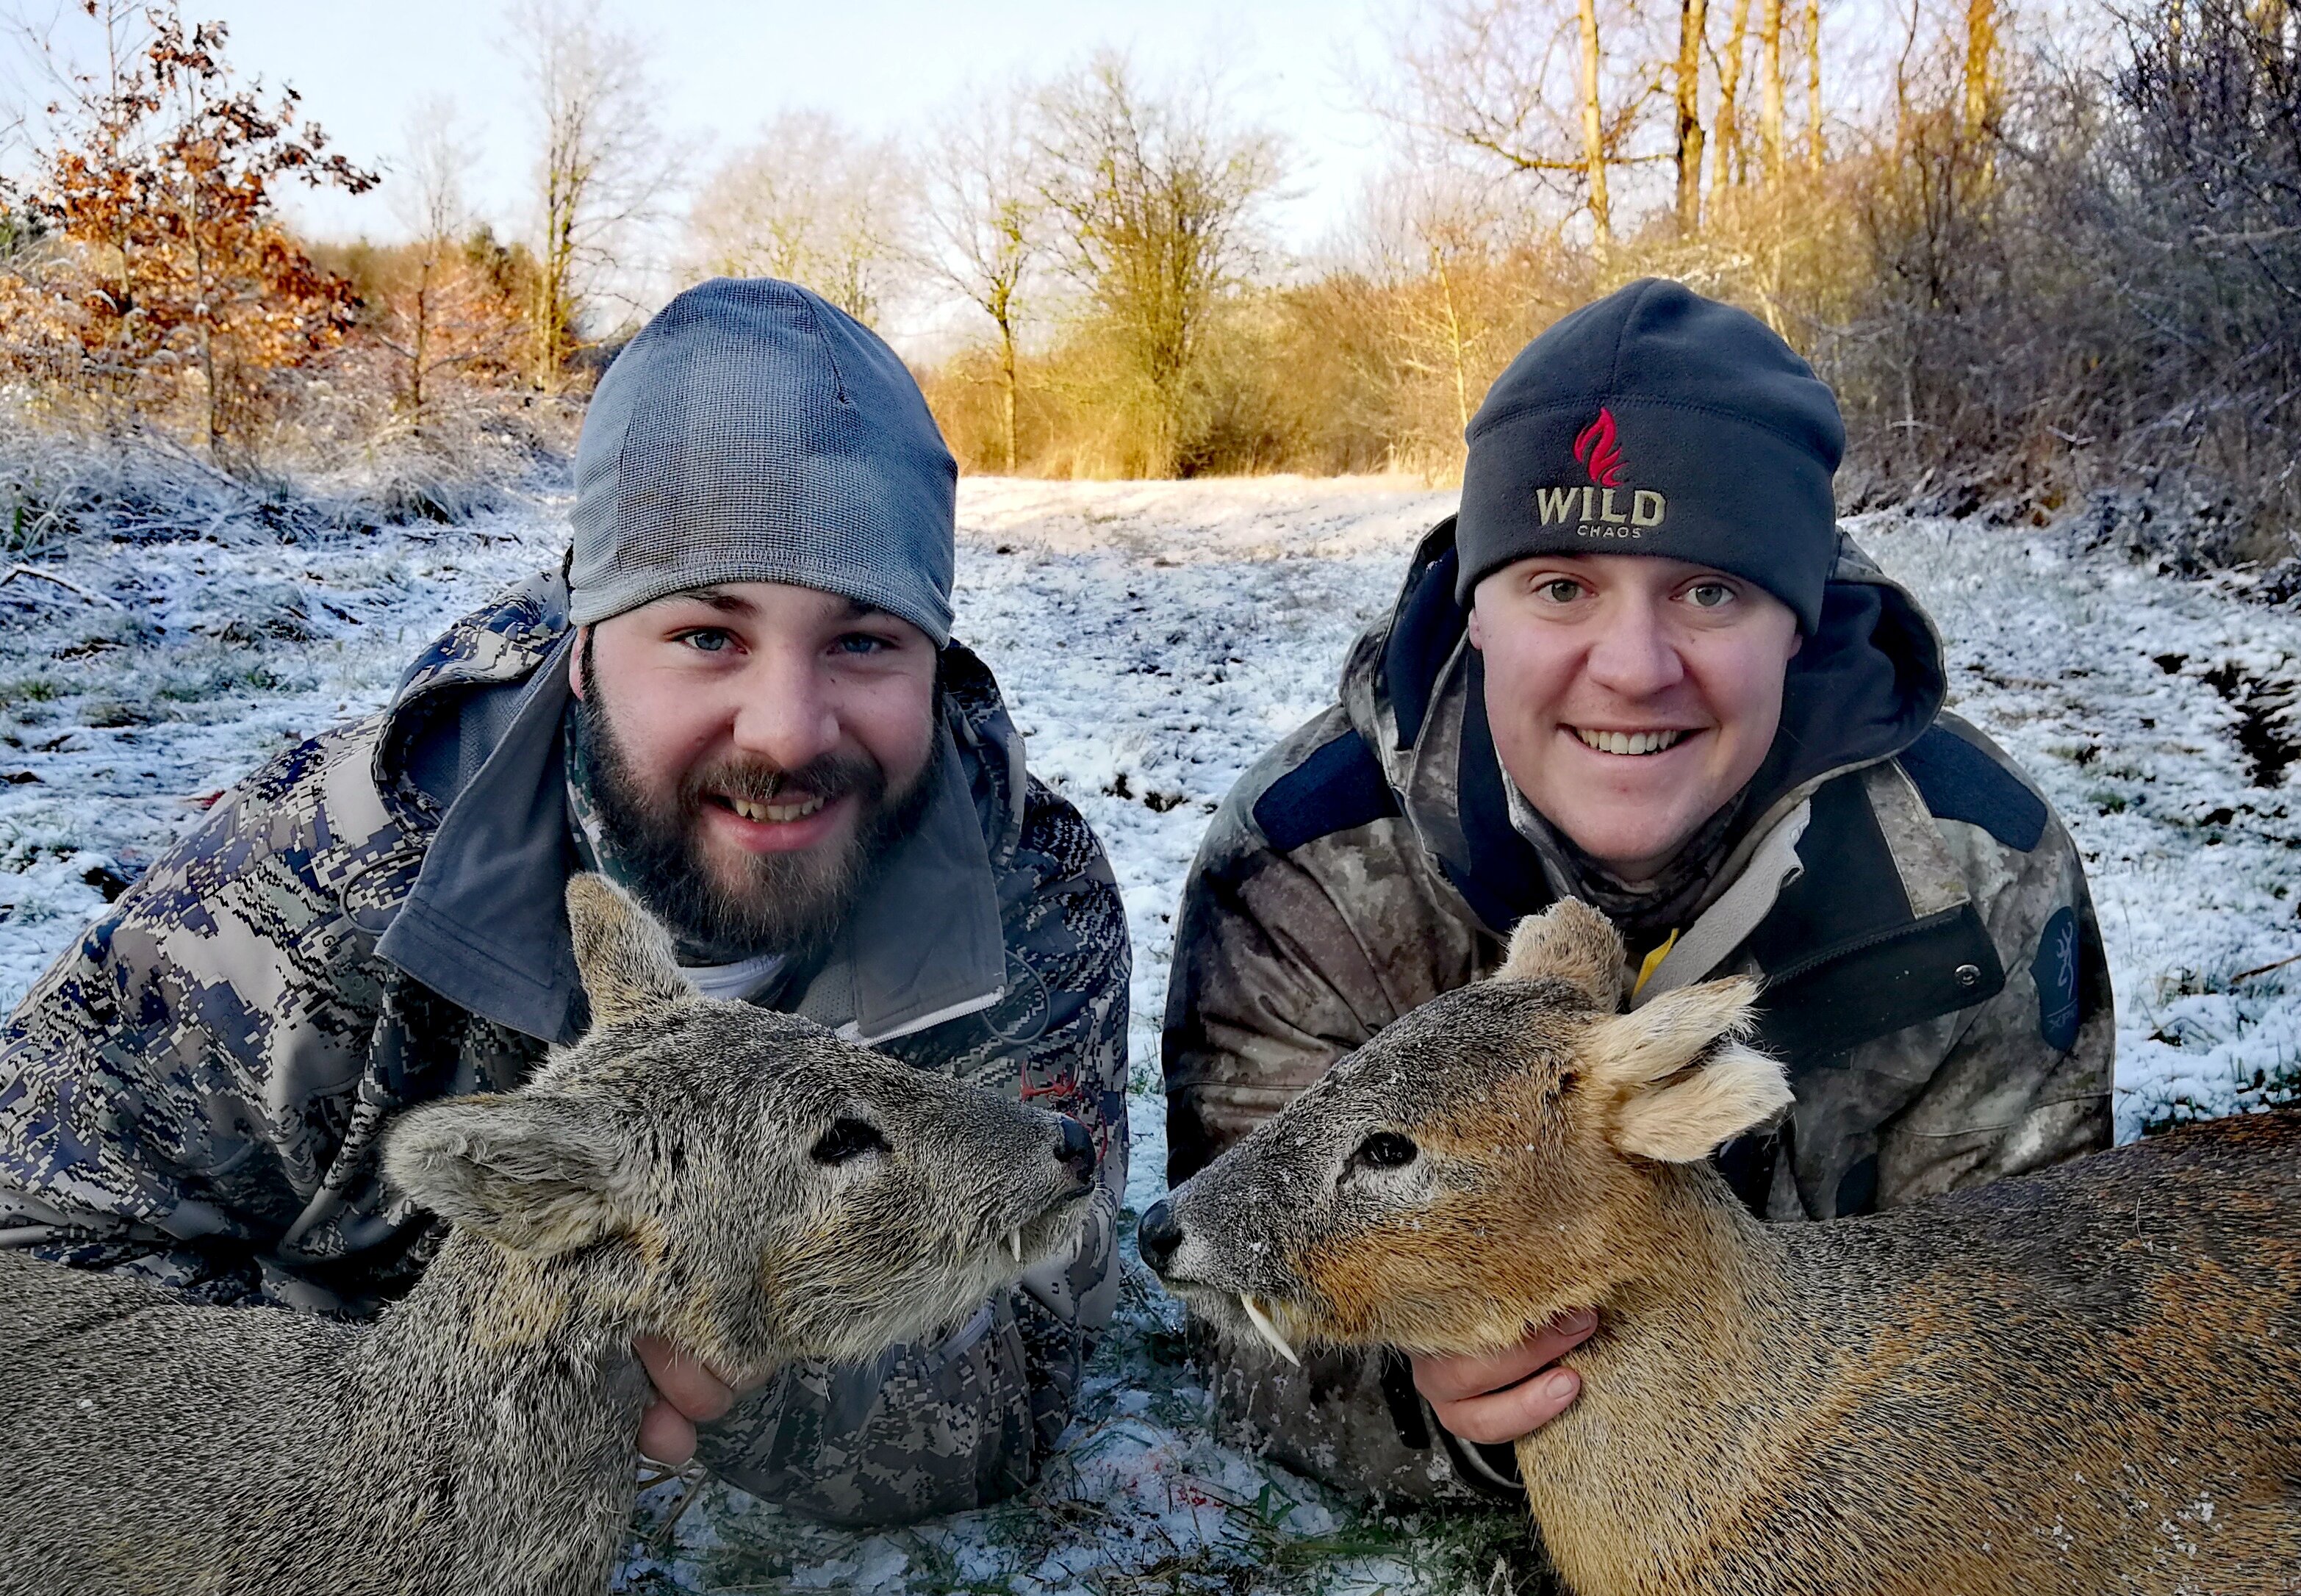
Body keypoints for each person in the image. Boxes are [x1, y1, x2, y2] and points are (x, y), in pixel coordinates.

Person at [0, 278, 1130, 1526]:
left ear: (936, 658)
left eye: (866, 641)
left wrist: (741, 1344)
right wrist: (372, 1436)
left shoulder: (1030, 897)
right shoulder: (314, 886)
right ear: (585, 644)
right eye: (708, 634)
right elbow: (34, 1253)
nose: (789, 731)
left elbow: (1028, 1369)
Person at [1162, 278, 2111, 1503]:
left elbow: (2023, 1327)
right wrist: (1438, 1408)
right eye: (1559, 586)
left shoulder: (1973, 874)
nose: (1632, 670)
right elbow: (1237, 1307)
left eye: (1710, 592)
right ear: (1477, 609)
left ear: (1798, 621)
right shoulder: (1303, 868)